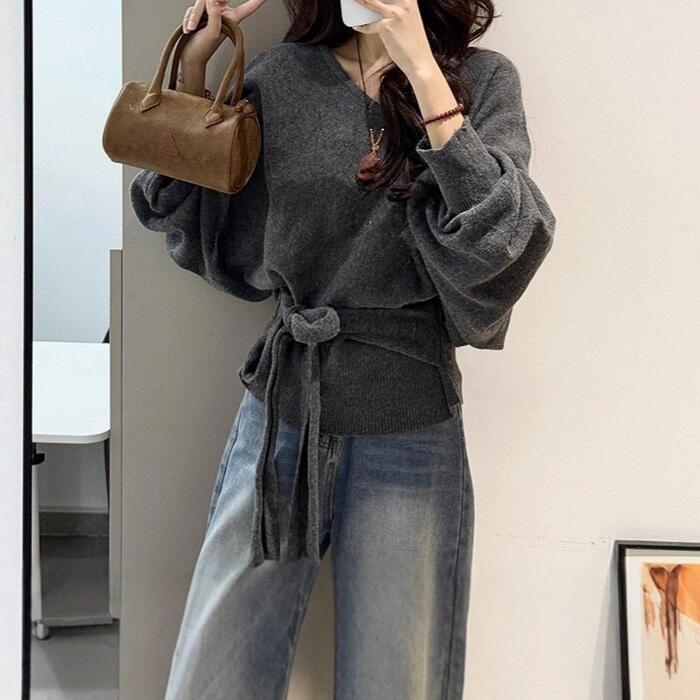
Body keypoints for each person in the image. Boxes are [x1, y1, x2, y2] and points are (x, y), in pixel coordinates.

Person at [128, 0, 556, 696]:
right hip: (282, 407)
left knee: (396, 680)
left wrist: (422, 71)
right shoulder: (278, 77)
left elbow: (501, 246)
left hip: (410, 419)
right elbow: (192, 219)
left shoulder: (482, 80)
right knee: (213, 676)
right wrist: (198, 63)